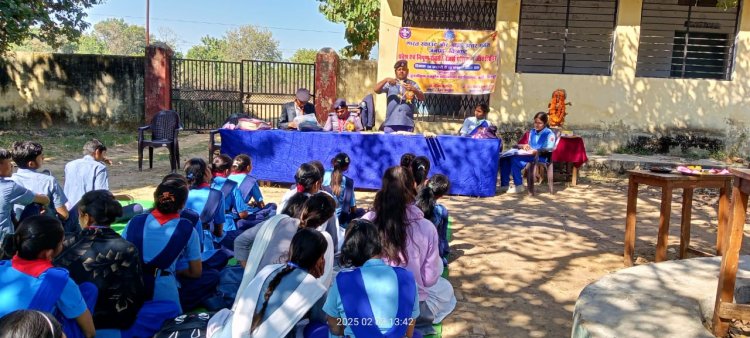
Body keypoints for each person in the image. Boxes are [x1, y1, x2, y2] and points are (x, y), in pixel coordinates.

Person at [362, 166, 449, 336]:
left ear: (383, 187)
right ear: (414, 186)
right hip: (412, 310)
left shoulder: (366, 222)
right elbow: (429, 279)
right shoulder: (427, 227)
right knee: (445, 290)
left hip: (368, 306)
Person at [207, 228, 329, 338]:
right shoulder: (316, 289)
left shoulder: (269, 269)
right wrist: (314, 280)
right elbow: (319, 325)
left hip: (231, 334)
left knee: (224, 315)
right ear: (320, 259)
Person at [53, 190, 145, 333]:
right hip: (114, 321)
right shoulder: (128, 248)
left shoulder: (65, 244)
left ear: (87, 217)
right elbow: (136, 293)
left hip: (71, 320)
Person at [0, 215, 96, 338]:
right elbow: (90, 332)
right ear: (48, 253)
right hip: (31, 331)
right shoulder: (58, 280)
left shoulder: (3, 265)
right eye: (61, 242)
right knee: (89, 290)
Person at [324, 219, 419, 338]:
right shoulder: (408, 279)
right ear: (380, 245)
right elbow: (409, 329)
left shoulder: (343, 281)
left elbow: (334, 325)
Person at [122, 179, 202, 314]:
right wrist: (178, 270)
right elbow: (196, 272)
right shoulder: (187, 229)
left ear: (155, 198)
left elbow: (123, 255)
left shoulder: (134, 221)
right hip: (164, 289)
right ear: (182, 204)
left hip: (130, 287)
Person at [236, 192, 336, 295]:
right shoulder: (319, 241)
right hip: (284, 297)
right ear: (326, 220)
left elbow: (240, 241)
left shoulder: (278, 221)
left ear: (306, 206)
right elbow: (317, 277)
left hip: (255, 291)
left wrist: (251, 271)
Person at [62, 139, 142, 224]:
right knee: (137, 208)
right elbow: (102, 195)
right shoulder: (99, 167)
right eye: (103, 154)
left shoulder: (69, 165)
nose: (104, 157)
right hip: (90, 216)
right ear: (97, 152)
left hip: (69, 212)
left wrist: (100, 160)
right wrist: (120, 197)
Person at [10, 141, 71, 231]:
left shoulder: (10, 181)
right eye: (40, 157)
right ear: (31, 163)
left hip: (19, 228)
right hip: (46, 228)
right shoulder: (49, 181)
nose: (43, 157)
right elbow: (64, 215)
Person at [0, 148, 49, 246]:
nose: (12, 165)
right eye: (8, 162)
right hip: (4, 242)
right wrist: (45, 203)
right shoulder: (9, 187)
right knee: (35, 204)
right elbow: (44, 199)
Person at [499, 112, 557, 194]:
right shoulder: (532, 132)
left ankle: (519, 185)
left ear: (545, 123)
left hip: (542, 156)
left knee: (515, 159)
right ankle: (504, 185)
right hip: (530, 154)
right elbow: (530, 145)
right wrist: (525, 146)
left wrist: (537, 151)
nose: (537, 125)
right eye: (535, 122)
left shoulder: (549, 134)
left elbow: (550, 148)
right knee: (505, 158)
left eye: (539, 123)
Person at [374, 60, 425, 133]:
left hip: (407, 123)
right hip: (390, 123)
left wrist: (414, 90)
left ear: (407, 71)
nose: (401, 71)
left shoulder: (412, 84)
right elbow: (376, 90)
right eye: (399, 69)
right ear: (395, 72)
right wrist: (386, 80)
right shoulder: (390, 83)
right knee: (390, 144)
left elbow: (422, 98)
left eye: (404, 69)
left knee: (405, 144)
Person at [416, 174, 451, 267]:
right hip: (430, 258)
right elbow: (442, 237)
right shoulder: (441, 211)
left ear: (427, 183)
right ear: (442, 195)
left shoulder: (412, 206)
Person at [228, 154, 276, 221]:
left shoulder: (227, 177)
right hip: (241, 215)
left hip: (226, 212)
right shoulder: (250, 181)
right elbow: (261, 204)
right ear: (248, 167)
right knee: (272, 206)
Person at [322, 153, 364, 226]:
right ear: (346, 167)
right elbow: (353, 209)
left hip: (322, 218)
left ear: (334, 162)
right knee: (361, 212)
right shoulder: (348, 182)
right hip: (340, 222)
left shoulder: (323, 175)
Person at [210, 154, 249, 232]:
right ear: (227, 171)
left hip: (205, 227)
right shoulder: (232, 185)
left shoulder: (205, 183)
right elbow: (243, 214)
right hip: (226, 228)